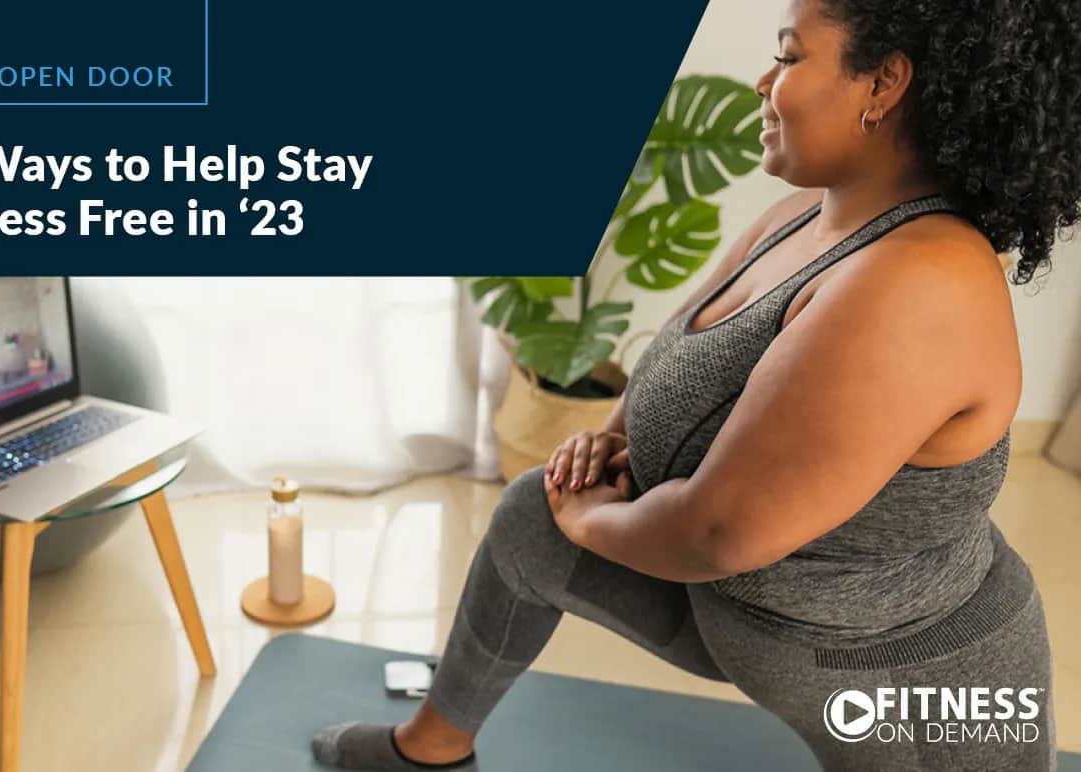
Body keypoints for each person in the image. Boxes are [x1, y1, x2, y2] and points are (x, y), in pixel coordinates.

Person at [311, 0, 1080, 768]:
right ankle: (430, 748)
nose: (761, 82)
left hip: (899, 679)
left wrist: (586, 520)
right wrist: (600, 447)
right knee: (529, 521)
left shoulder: (921, 283)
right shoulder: (801, 218)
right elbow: (667, 372)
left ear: (882, 84)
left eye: (789, 56)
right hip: (743, 616)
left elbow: (721, 534)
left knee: (556, 518)